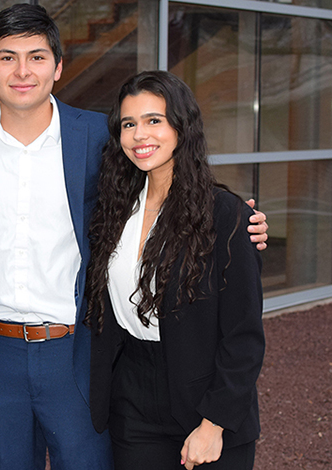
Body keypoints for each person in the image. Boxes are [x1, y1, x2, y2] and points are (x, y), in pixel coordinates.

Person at [0, 4, 268, 469]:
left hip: (77, 351)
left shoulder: (102, 136)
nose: (21, 70)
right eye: (7, 57)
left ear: (57, 67)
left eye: (36, 56)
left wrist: (242, 219)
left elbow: (171, 189)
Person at [86, 71, 264, 470]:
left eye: (154, 120)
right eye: (128, 124)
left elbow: (244, 335)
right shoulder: (115, 209)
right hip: (131, 397)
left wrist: (214, 423)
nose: (139, 135)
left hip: (206, 399)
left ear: (181, 127)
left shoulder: (227, 215)